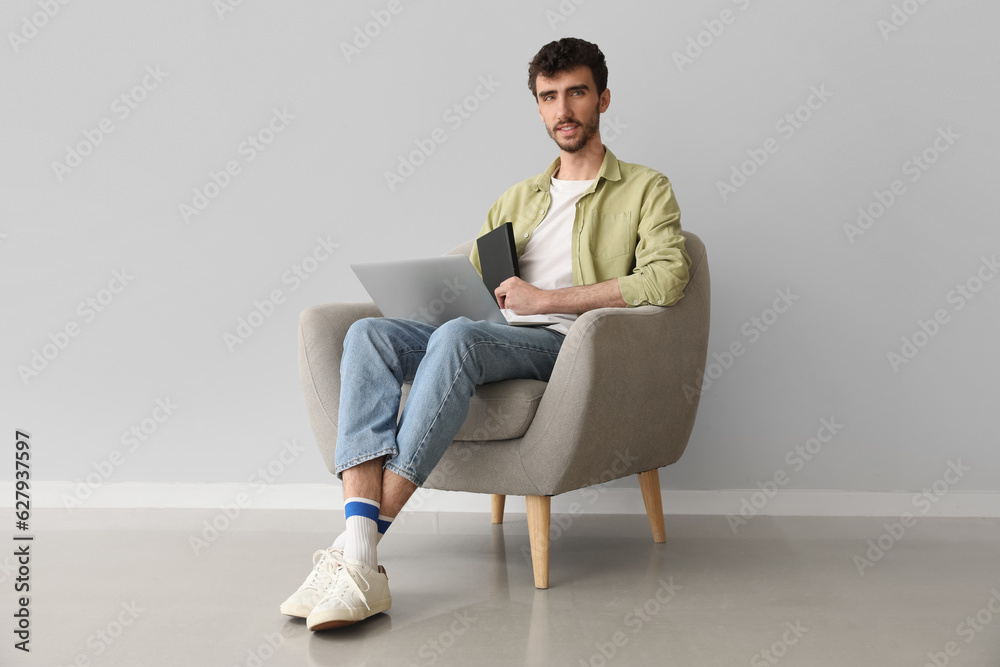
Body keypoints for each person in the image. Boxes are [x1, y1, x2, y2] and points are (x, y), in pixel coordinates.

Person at [282, 36, 691, 631]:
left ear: (602, 98)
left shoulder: (646, 188)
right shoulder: (517, 198)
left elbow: (668, 278)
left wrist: (545, 299)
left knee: (457, 341)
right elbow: (471, 282)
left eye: (576, 93)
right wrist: (435, 295)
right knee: (369, 334)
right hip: (491, 333)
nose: (563, 110)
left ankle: (357, 555)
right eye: (548, 97)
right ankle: (357, 552)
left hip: (567, 346)